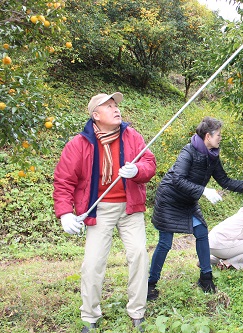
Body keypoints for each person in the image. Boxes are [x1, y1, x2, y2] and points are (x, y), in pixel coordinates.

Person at [53, 92, 157, 333]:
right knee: (92, 262)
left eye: (116, 105)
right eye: (109, 106)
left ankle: (137, 313)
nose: (116, 109)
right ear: (96, 115)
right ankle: (89, 315)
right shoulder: (78, 144)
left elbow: (150, 164)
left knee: (140, 255)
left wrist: (138, 170)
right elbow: (64, 181)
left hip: (130, 208)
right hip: (99, 210)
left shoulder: (132, 136)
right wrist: (65, 213)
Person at [148, 116, 243, 299]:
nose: (220, 138)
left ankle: (206, 278)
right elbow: (177, 179)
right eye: (218, 134)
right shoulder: (188, 152)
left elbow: (225, 181)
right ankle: (150, 284)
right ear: (207, 136)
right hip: (169, 200)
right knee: (165, 243)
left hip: (188, 201)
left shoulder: (212, 156)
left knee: (202, 233)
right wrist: (203, 190)